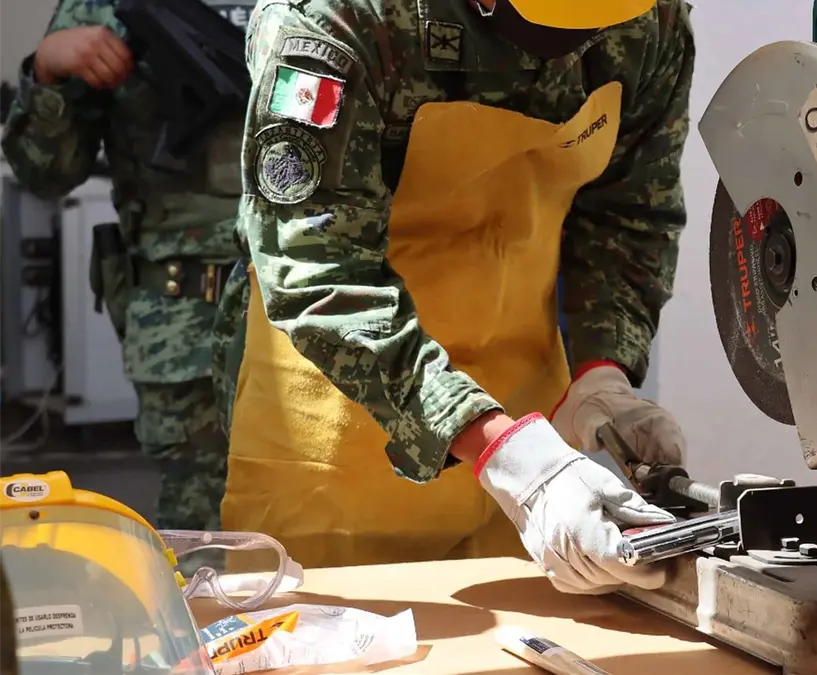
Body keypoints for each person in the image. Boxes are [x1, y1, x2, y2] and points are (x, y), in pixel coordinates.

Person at [214, 0, 695, 594]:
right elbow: (318, 268)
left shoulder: (646, 20)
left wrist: (603, 372)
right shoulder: (340, 19)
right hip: (338, 429)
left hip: (528, 425)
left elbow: (627, 216)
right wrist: (499, 448)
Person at [0, 0, 254, 530]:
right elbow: (45, 175)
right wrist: (47, 72)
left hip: (323, 300)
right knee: (203, 532)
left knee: (338, 518)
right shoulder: (103, 6)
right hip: (187, 327)